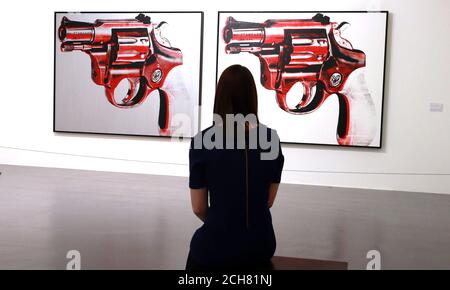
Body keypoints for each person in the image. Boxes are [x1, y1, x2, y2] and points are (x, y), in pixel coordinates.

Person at [186, 65, 284, 270]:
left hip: (216, 249)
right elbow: (268, 201)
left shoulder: (202, 141)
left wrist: (221, 223)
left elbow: (199, 208)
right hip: (261, 246)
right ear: (252, 97)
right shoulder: (271, 140)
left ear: (220, 97)